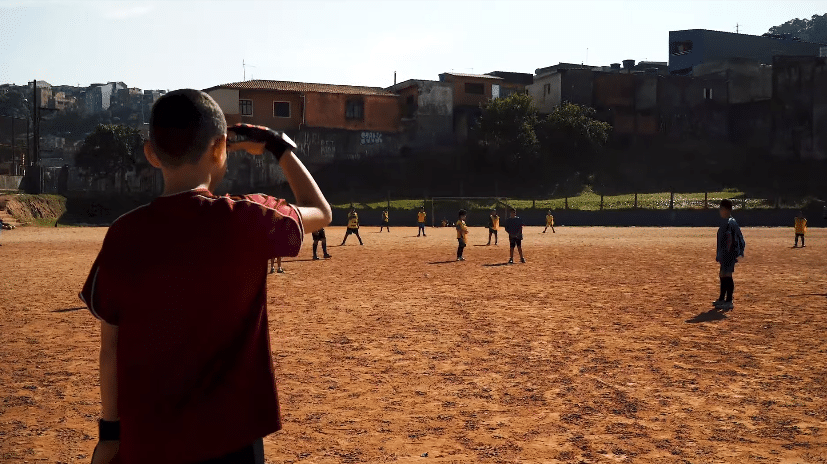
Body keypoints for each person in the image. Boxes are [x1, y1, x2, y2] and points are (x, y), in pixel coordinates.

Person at [79, 89, 332, 464]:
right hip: (231, 438)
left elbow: (110, 350)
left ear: (151, 153)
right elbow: (321, 211)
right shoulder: (248, 218)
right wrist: (279, 148)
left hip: (149, 439)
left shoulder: (124, 234)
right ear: (219, 150)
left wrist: (110, 435)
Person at [714, 199, 745, 311]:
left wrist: (735, 253)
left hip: (729, 254)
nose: (720, 211)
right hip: (725, 254)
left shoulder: (730, 223)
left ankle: (729, 301)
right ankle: (722, 299)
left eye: (721, 209)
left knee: (727, 275)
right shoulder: (726, 221)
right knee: (722, 274)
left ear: (726, 210)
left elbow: (735, 239)